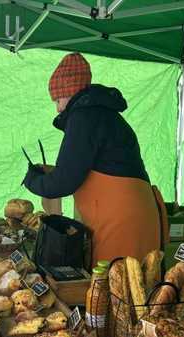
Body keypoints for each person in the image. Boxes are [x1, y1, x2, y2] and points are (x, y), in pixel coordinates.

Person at [23, 53, 163, 265]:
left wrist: (32, 179)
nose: (58, 108)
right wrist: (50, 172)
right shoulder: (101, 114)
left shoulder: (84, 116)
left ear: (69, 92)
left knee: (118, 289)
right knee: (135, 287)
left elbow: (64, 182)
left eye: (58, 99)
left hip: (120, 222)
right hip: (133, 215)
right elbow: (95, 168)